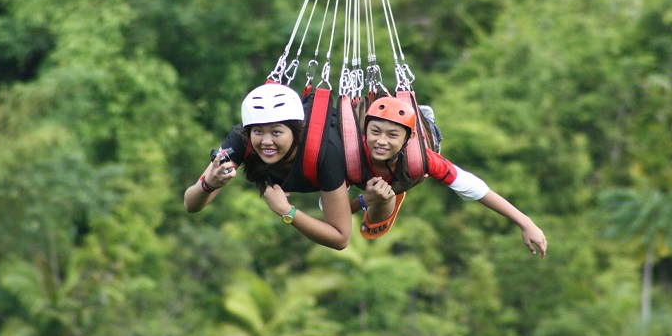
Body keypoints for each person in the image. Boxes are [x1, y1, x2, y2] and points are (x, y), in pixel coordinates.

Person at [351, 97, 548, 258]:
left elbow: (475, 188)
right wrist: (365, 200)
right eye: (375, 132)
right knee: (371, 217)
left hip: (403, 176)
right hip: (369, 182)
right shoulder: (350, 153)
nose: (381, 141)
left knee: (384, 202)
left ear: (408, 138)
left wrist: (526, 223)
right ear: (365, 131)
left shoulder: (422, 158)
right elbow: (330, 209)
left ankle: (427, 124)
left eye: (392, 135)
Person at [184, 84, 357, 250]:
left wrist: (287, 211)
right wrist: (209, 184)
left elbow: (340, 238)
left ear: (296, 131)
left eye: (276, 132)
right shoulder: (242, 139)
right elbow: (190, 204)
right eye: (258, 131)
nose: (266, 142)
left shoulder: (325, 152)